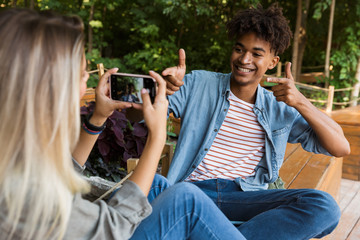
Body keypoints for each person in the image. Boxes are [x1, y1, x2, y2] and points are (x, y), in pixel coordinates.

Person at [0, 9, 247, 240]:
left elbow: (60, 178)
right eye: (81, 73)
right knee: (186, 199)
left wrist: (98, 118)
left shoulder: (14, 163)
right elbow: (115, 226)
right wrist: (157, 136)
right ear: (49, 90)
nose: (87, 79)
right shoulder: (27, 198)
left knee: (159, 184)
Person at [162, 4, 350, 240]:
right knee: (156, 188)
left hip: (246, 198)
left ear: (273, 62)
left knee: (324, 207)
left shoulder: (280, 107)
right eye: (239, 49)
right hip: (194, 193)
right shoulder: (198, 83)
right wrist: (164, 91)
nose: (244, 59)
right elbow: (141, 116)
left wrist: (301, 101)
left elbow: (341, 147)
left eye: (257, 53)